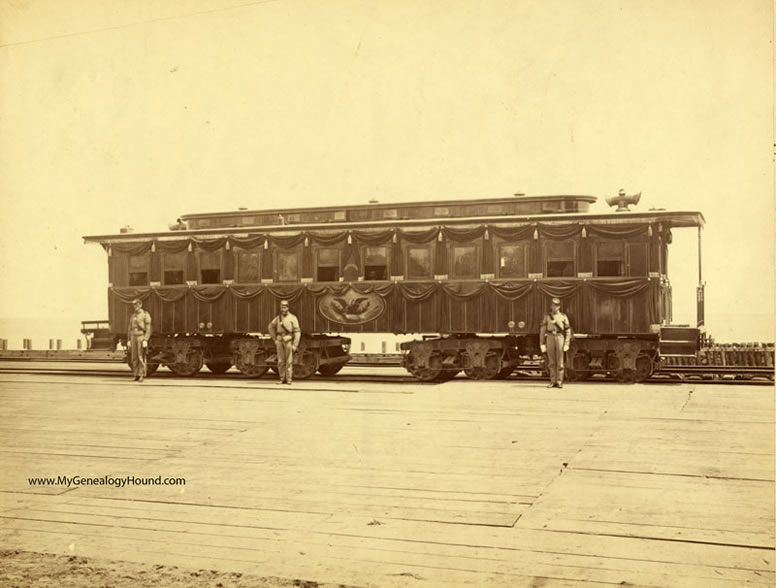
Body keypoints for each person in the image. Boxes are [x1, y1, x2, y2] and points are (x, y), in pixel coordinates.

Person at [539, 297, 571, 388]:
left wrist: (567, 343)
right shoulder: (547, 317)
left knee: (560, 361)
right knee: (551, 362)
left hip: (560, 337)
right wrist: (542, 343)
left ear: (559, 307)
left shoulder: (563, 316)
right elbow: (543, 330)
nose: (554, 307)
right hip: (549, 338)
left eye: (556, 306)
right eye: (552, 306)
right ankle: (553, 381)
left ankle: (559, 381)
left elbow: (568, 330)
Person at [268, 300, 301, 384]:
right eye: (282, 307)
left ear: (288, 307)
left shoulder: (293, 318)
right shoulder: (278, 318)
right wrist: (274, 338)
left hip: (288, 340)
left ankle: (289, 379)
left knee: (289, 361)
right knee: (281, 361)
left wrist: (295, 345)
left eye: (284, 307)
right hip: (279, 340)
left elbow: (297, 331)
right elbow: (270, 326)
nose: (283, 309)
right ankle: (282, 379)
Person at [127, 298, 152, 382]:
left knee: (140, 356)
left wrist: (145, 339)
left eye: (137, 305)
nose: (135, 306)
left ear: (140, 305)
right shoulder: (133, 315)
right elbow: (129, 328)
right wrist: (128, 340)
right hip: (133, 337)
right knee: (134, 357)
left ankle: (141, 375)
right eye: (134, 305)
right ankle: (136, 374)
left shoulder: (145, 314)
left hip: (141, 337)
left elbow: (148, 329)